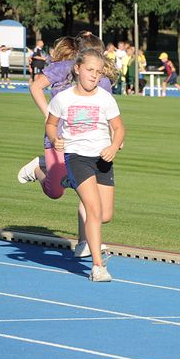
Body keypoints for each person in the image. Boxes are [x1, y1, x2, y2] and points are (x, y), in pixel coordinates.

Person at [18, 32, 118, 258]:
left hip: (87, 143)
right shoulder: (63, 68)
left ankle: (84, 241)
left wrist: (113, 138)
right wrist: (48, 114)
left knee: (91, 198)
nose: (96, 67)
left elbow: (109, 111)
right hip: (59, 139)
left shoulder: (102, 80)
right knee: (55, 192)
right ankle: (38, 167)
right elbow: (36, 87)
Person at [45, 48, 126, 282]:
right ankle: (98, 266)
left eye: (98, 72)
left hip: (102, 159)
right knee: (93, 210)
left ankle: (70, 181)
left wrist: (113, 146)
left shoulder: (105, 98)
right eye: (90, 70)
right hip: (77, 156)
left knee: (106, 215)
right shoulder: (63, 98)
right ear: (77, 69)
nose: (94, 75)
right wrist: (54, 138)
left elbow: (119, 128)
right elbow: (51, 124)